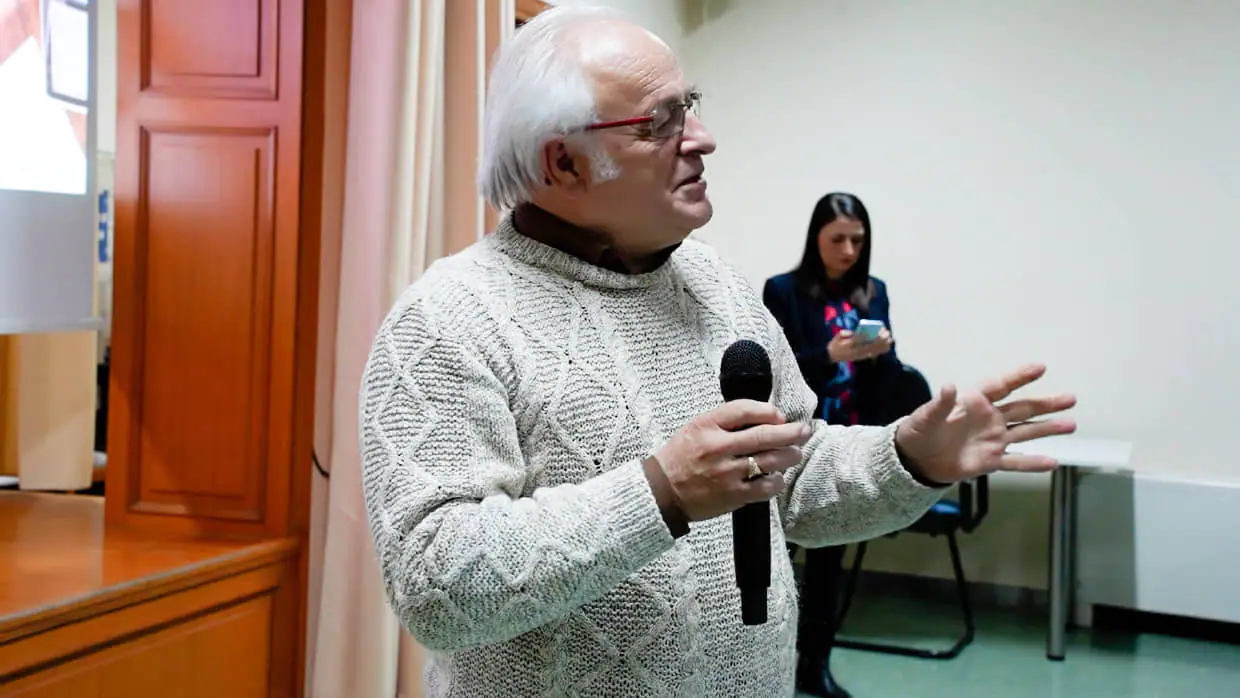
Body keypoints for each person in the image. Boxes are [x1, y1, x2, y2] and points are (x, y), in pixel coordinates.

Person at [359, 7, 1076, 698]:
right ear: (564, 163)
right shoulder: (448, 320)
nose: (702, 139)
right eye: (659, 122)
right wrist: (661, 492)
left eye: (690, 106)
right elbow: (435, 588)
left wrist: (908, 457)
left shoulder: (716, 283)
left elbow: (794, 478)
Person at [763, 192, 902, 698]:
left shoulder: (873, 291)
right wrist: (829, 354)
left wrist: (880, 354)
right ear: (815, 239)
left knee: (829, 564)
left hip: (852, 438)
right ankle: (770, 658)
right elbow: (775, 368)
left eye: (857, 241)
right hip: (797, 438)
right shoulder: (784, 290)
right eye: (837, 239)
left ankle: (815, 664)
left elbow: (891, 376)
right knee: (778, 554)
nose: (848, 250)